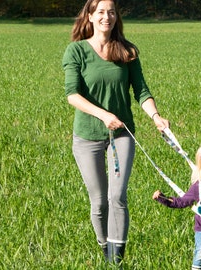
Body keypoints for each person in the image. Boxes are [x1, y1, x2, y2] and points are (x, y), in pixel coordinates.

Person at [62, 0, 170, 266]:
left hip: (122, 135)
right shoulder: (76, 51)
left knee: (117, 197)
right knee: (99, 202)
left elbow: (142, 91)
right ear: (90, 16)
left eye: (111, 12)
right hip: (87, 136)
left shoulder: (127, 51)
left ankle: (116, 261)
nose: (106, 17)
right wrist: (103, 115)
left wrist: (156, 117)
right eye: (100, 12)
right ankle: (104, 247)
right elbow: (72, 95)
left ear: (116, 16)